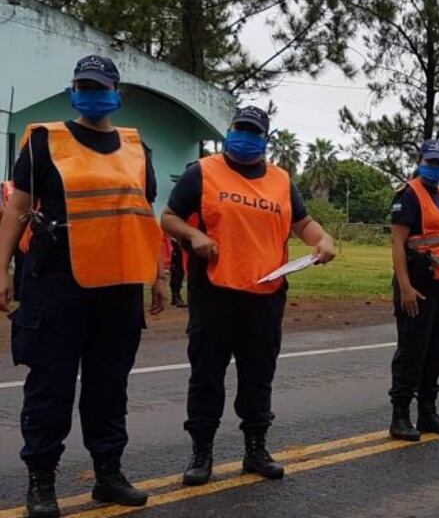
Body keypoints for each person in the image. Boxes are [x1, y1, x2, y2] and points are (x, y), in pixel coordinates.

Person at [0, 55, 167, 518]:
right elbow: (17, 209)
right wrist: (2, 268)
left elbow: (144, 216)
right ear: (74, 90)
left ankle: (108, 474)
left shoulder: (137, 148)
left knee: (108, 386)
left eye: (100, 86)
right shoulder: (43, 142)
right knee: (50, 387)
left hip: (117, 285)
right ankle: (41, 481)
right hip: (56, 282)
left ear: (116, 93)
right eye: (83, 85)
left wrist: (159, 274)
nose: (92, 93)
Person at [161, 106, 337, 487]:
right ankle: (201, 452)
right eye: (239, 129)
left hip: (265, 293)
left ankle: (256, 449)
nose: (245, 137)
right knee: (207, 374)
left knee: (258, 375)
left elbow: (303, 223)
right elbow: (169, 217)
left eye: (253, 131)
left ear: (265, 138)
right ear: (229, 132)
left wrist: (323, 240)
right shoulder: (202, 173)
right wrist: (193, 236)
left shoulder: (281, 181)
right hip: (215, 292)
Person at [388, 139, 439, 442]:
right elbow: (397, 243)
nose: (435, 167)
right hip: (416, 285)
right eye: (430, 162)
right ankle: (400, 416)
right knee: (412, 350)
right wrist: (405, 286)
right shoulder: (407, 195)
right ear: (420, 161)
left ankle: (428, 412)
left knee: (437, 349)